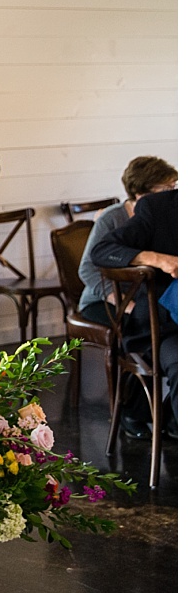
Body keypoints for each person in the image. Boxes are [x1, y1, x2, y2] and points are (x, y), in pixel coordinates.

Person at [91, 188, 178, 440]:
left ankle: (170, 418)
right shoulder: (158, 207)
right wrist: (158, 259)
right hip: (168, 327)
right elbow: (102, 251)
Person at [77, 156, 177, 327]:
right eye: (167, 188)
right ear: (141, 192)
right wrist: (127, 305)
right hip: (107, 300)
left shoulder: (162, 215)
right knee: (141, 323)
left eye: (173, 186)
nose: (171, 192)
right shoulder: (112, 217)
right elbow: (87, 270)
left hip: (145, 297)